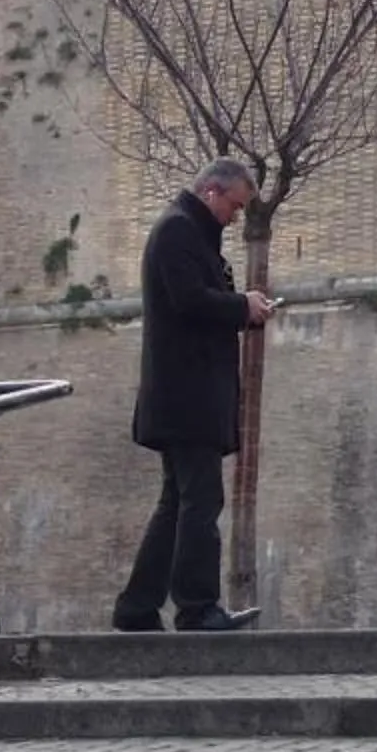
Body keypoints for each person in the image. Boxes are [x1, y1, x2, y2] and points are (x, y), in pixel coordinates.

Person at [114, 158, 271, 632]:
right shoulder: (178, 232)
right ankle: (197, 607)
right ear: (211, 193)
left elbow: (197, 299)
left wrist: (240, 307)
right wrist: (242, 306)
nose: (236, 217)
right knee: (201, 500)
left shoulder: (186, 232)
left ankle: (138, 608)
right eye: (235, 206)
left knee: (176, 503)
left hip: (184, 395)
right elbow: (189, 301)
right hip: (188, 397)